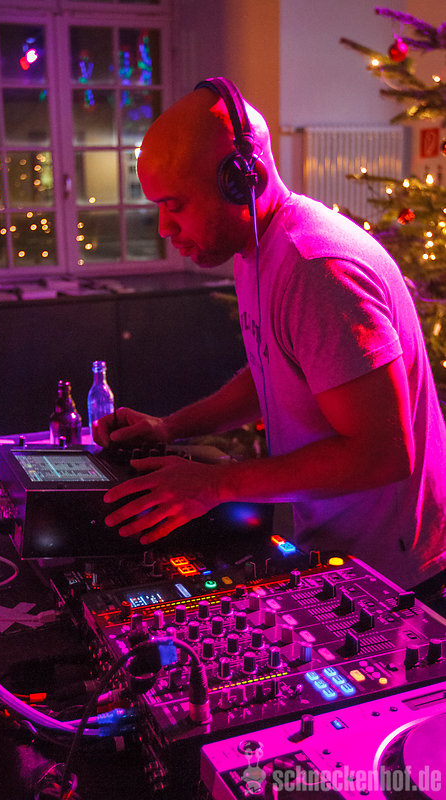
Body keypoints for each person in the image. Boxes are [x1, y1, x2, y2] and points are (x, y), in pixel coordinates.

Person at [94, 77, 446, 605]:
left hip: (401, 577)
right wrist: (170, 427)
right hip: (347, 556)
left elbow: (384, 454)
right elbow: (275, 372)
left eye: (176, 205)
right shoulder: (258, 248)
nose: (164, 227)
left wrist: (213, 485)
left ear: (242, 180)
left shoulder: (316, 269)